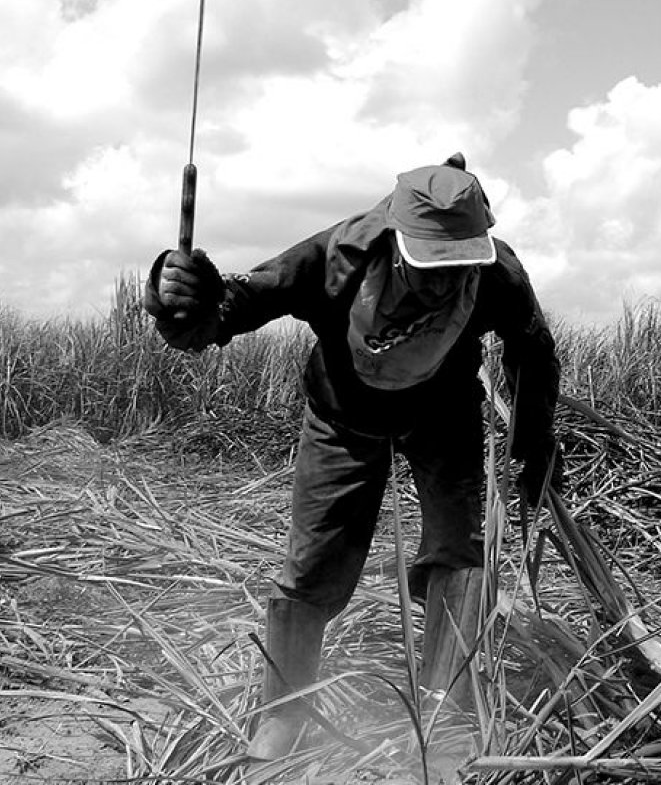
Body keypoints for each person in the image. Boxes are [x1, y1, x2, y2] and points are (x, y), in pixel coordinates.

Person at [143, 153, 563, 760]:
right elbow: (235, 305)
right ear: (395, 241)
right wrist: (186, 297)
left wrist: (534, 443)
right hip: (344, 414)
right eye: (429, 266)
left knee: (461, 551)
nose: (444, 282)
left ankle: (445, 706)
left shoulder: (494, 272)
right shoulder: (335, 258)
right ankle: (283, 715)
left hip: (443, 413)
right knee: (313, 562)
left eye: (457, 266)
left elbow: (533, 351)